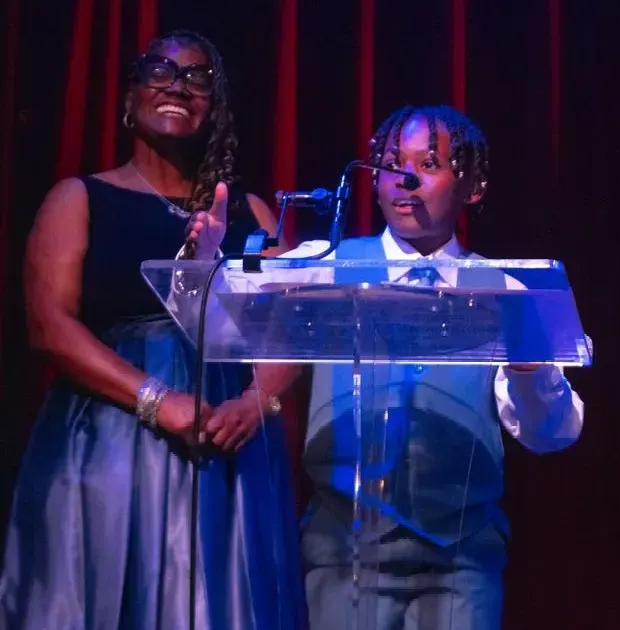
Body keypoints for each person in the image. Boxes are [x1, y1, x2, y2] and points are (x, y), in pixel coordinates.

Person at [191, 104, 587, 630]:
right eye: (390, 163)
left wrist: (528, 366)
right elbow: (230, 312)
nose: (404, 178)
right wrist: (208, 263)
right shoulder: (325, 265)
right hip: (342, 556)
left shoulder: (499, 290)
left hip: (460, 563)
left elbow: (553, 432)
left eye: (428, 164)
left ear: (472, 186)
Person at [0, 30, 305, 629]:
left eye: (197, 78)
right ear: (128, 98)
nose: (177, 84)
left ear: (214, 108)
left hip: (229, 441)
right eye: (159, 71)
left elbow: (291, 327)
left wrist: (257, 400)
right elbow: (49, 327)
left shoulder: (253, 212)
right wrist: (155, 400)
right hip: (110, 442)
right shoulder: (81, 197)